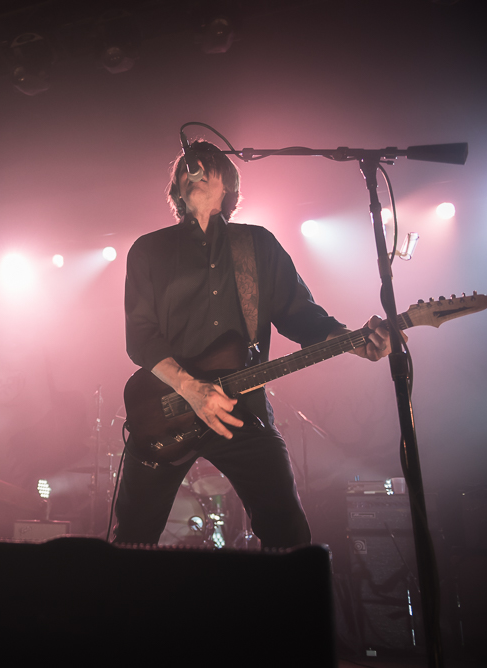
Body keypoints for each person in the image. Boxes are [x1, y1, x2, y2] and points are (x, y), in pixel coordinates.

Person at [117, 141, 392, 548]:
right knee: (134, 537)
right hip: (167, 408)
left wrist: (353, 342)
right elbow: (140, 336)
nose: (194, 174)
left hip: (243, 411)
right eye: (186, 169)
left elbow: (301, 315)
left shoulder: (257, 245)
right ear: (175, 186)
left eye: (206, 168)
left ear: (229, 185)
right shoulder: (148, 250)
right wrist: (193, 390)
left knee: (289, 535)